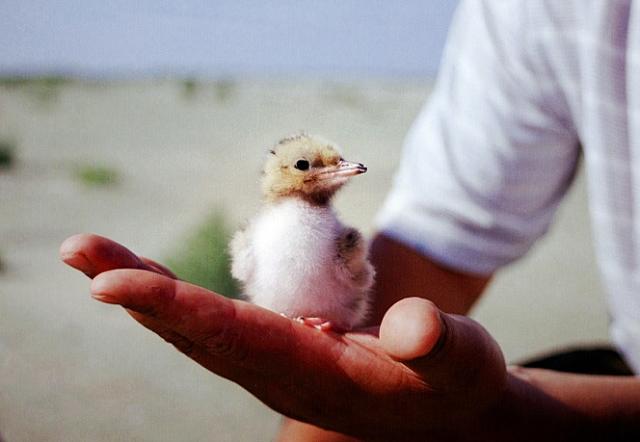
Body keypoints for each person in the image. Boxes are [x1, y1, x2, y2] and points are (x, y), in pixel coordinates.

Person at [60, 1, 640, 440]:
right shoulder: (536, 13)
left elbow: (366, 286)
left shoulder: (341, 241)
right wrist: (325, 415)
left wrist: (512, 416)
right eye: (313, 166)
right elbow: (440, 240)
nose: (330, 171)